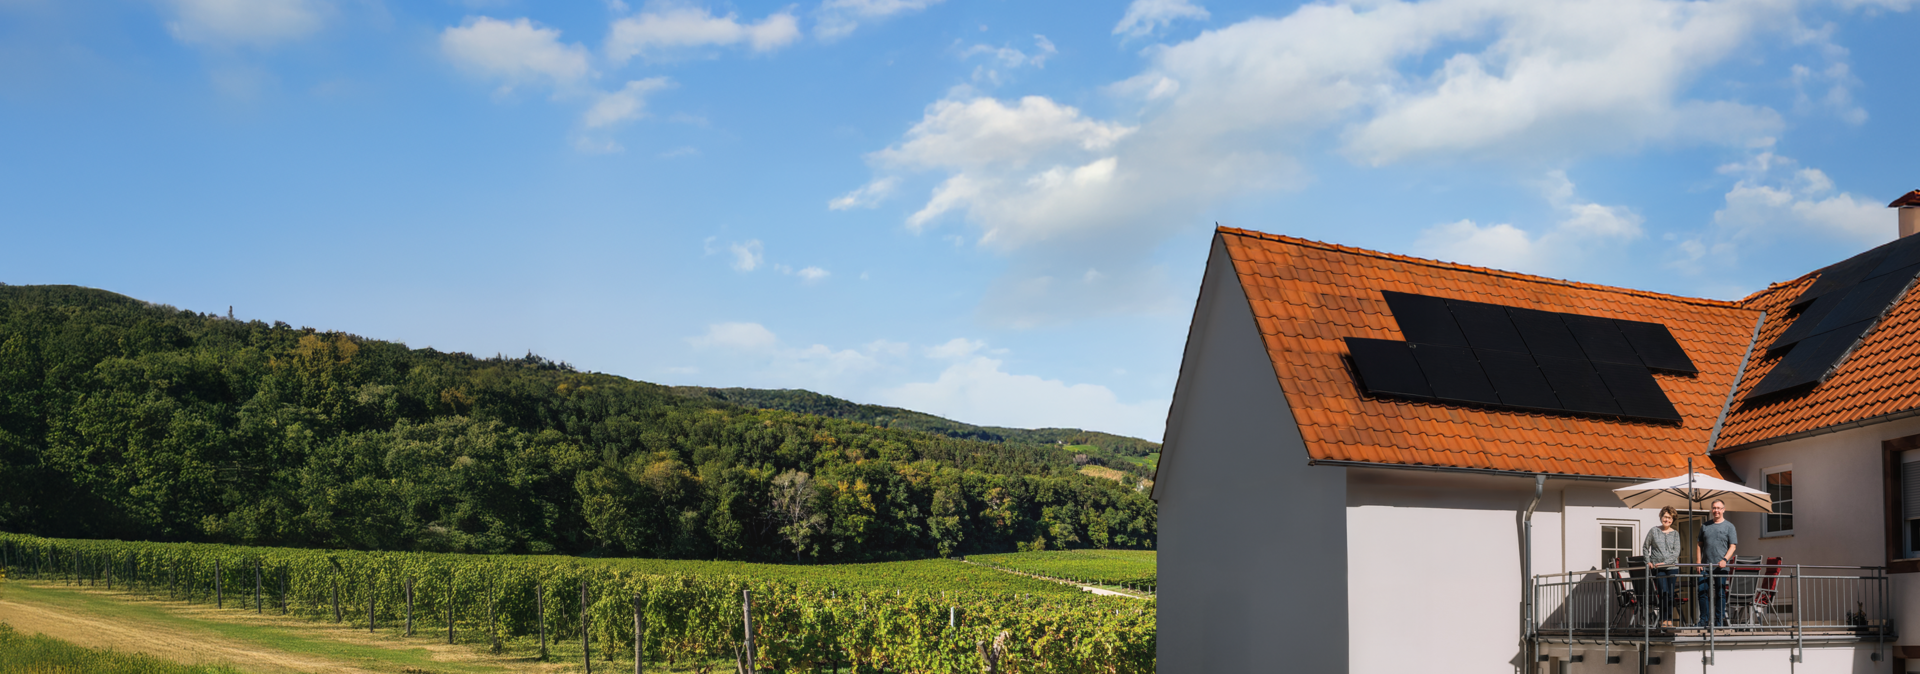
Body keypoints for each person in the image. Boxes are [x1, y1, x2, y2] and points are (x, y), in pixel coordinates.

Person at [1694, 499, 1738, 627]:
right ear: (1711, 509)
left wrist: (1725, 560)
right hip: (1705, 566)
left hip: (1721, 567)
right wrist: (1698, 562)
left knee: (1720, 594)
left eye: (1719, 508)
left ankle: (1719, 622)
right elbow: (1699, 545)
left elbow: (1733, 546)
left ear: (1723, 509)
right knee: (1702, 593)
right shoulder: (1705, 526)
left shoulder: (1729, 526)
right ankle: (1703, 621)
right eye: (1714, 508)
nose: (1716, 510)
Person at [1642, 506, 1681, 626]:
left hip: (1672, 568)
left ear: (1673, 520)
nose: (1667, 520)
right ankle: (1662, 619)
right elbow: (1645, 547)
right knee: (1663, 593)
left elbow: (1676, 552)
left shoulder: (1675, 534)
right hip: (1657, 569)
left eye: (1670, 518)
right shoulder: (1653, 531)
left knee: (1670, 594)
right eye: (1665, 517)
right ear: (1661, 517)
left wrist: (1665, 563)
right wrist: (1647, 561)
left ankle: (1669, 620)